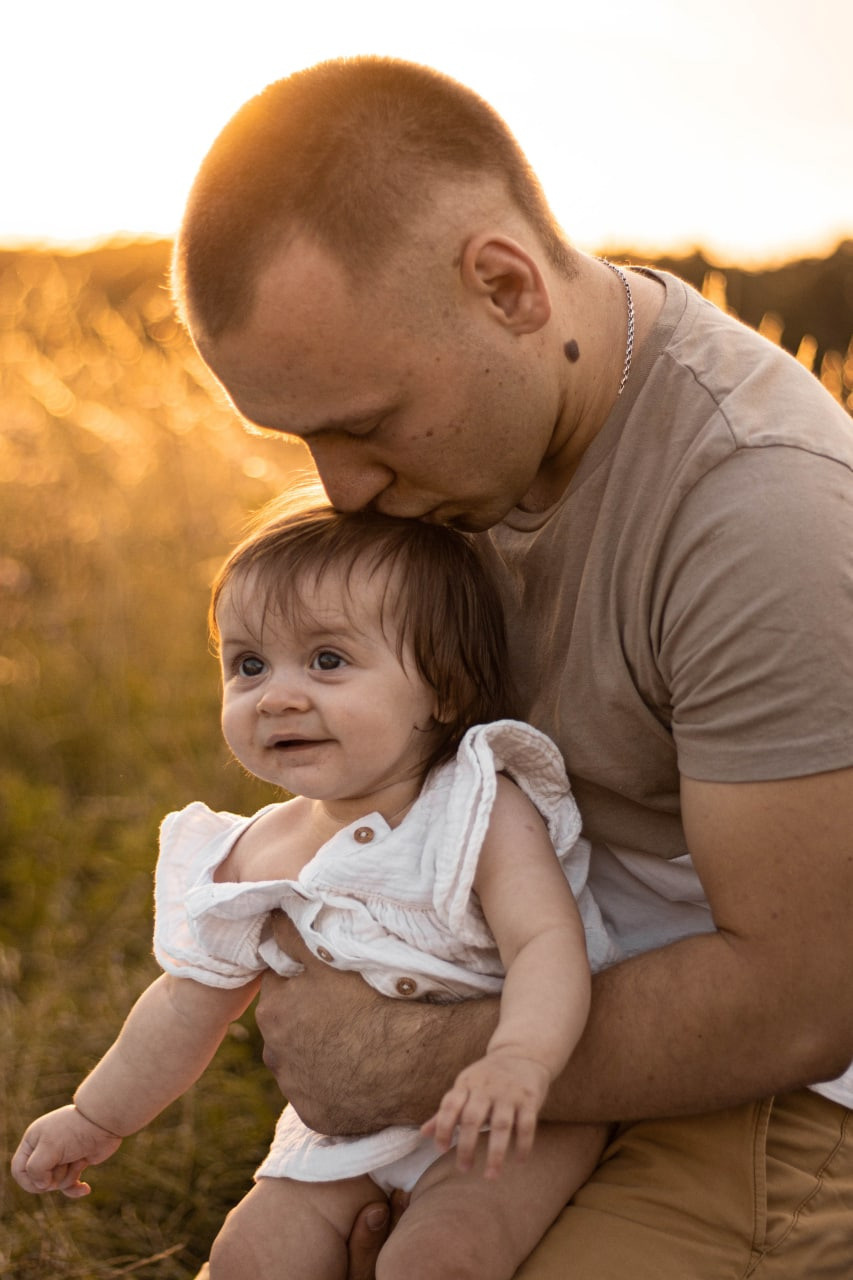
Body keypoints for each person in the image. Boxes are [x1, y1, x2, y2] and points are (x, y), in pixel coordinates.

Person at [168, 55, 853, 1277]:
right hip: (527, 1025)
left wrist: (405, 1057)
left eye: (366, 422)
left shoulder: (761, 514)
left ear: (505, 287)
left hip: (769, 1088)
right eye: (301, 436)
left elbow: (805, 993)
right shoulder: (461, 461)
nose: (340, 490)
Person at [12, 496, 619, 1280]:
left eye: (328, 661)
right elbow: (186, 1001)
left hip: (509, 1116)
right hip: (345, 1132)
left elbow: (545, 941)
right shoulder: (258, 848)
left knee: (439, 1259)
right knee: (248, 1258)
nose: (278, 695)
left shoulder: (477, 805)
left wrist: (519, 1061)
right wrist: (96, 1115)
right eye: (248, 664)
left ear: (443, 689)